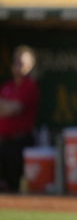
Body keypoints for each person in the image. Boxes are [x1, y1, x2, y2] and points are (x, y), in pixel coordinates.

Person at [0, 46, 40, 192]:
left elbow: (14, 109)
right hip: (3, 141)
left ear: (30, 66)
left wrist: (6, 106)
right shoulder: (7, 86)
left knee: (16, 185)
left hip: (20, 143)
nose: (19, 67)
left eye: (23, 63)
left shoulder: (30, 86)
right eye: (17, 62)